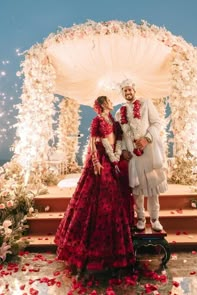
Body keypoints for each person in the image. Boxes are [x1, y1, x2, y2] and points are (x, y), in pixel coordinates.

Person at [54, 96, 135, 276]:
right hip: (101, 160)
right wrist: (96, 162)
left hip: (112, 158)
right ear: (102, 104)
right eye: (107, 101)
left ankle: (112, 251)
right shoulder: (97, 120)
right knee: (97, 199)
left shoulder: (112, 119)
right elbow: (92, 141)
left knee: (112, 199)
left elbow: (118, 138)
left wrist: (119, 154)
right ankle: (89, 255)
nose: (111, 103)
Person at [115, 79, 168, 232]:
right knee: (137, 190)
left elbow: (157, 123)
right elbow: (122, 135)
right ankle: (140, 219)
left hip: (149, 151)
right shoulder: (120, 112)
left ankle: (155, 219)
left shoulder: (146, 103)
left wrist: (147, 139)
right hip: (133, 155)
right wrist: (124, 149)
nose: (128, 92)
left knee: (152, 188)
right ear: (122, 93)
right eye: (125, 90)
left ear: (134, 90)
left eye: (130, 89)